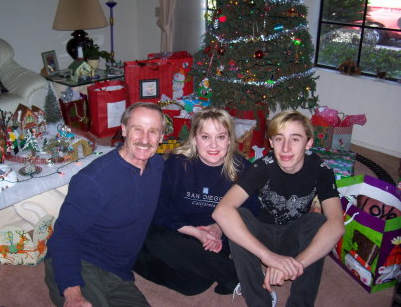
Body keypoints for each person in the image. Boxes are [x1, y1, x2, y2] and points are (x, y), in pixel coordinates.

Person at [212, 110, 345, 307]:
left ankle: (300, 303)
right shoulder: (262, 167)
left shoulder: (322, 170)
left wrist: (294, 265)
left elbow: (337, 225)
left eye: (295, 139)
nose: (286, 148)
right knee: (237, 216)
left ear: (308, 143)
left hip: (294, 238)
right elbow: (221, 211)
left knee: (319, 223)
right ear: (271, 143)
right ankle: (259, 301)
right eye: (279, 139)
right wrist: (269, 257)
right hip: (261, 235)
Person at [44, 102, 166, 307]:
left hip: (118, 273)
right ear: (124, 130)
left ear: (162, 137)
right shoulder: (93, 180)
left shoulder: (157, 166)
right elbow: (65, 235)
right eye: (138, 129)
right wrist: (73, 292)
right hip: (79, 263)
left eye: (153, 132)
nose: (145, 140)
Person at [133, 107, 260, 296]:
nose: (213, 145)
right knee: (157, 238)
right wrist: (194, 232)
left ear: (229, 140)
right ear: (194, 139)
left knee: (193, 285)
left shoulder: (242, 169)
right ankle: (237, 273)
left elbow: (252, 212)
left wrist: (218, 227)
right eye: (206, 137)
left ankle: (132, 254)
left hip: (213, 241)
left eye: (221, 137)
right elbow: (159, 209)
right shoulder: (176, 163)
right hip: (176, 230)